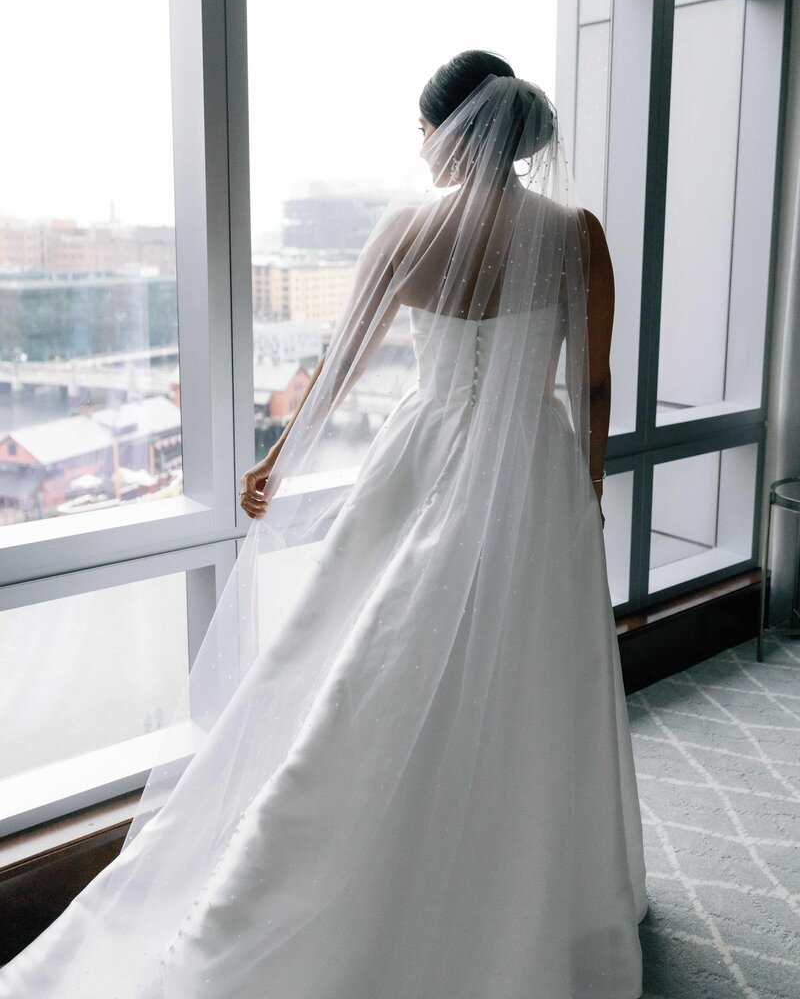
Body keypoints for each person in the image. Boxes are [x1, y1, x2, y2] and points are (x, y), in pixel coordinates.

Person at [0, 51, 647, 998]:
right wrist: (585, 491)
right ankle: (531, 889)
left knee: (366, 667)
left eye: (421, 127)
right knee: (532, 674)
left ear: (449, 130)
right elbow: (590, 382)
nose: (418, 144)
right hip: (533, 473)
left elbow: (340, 364)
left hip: (422, 455)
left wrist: (275, 459)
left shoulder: (405, 231)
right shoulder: (574, 233)